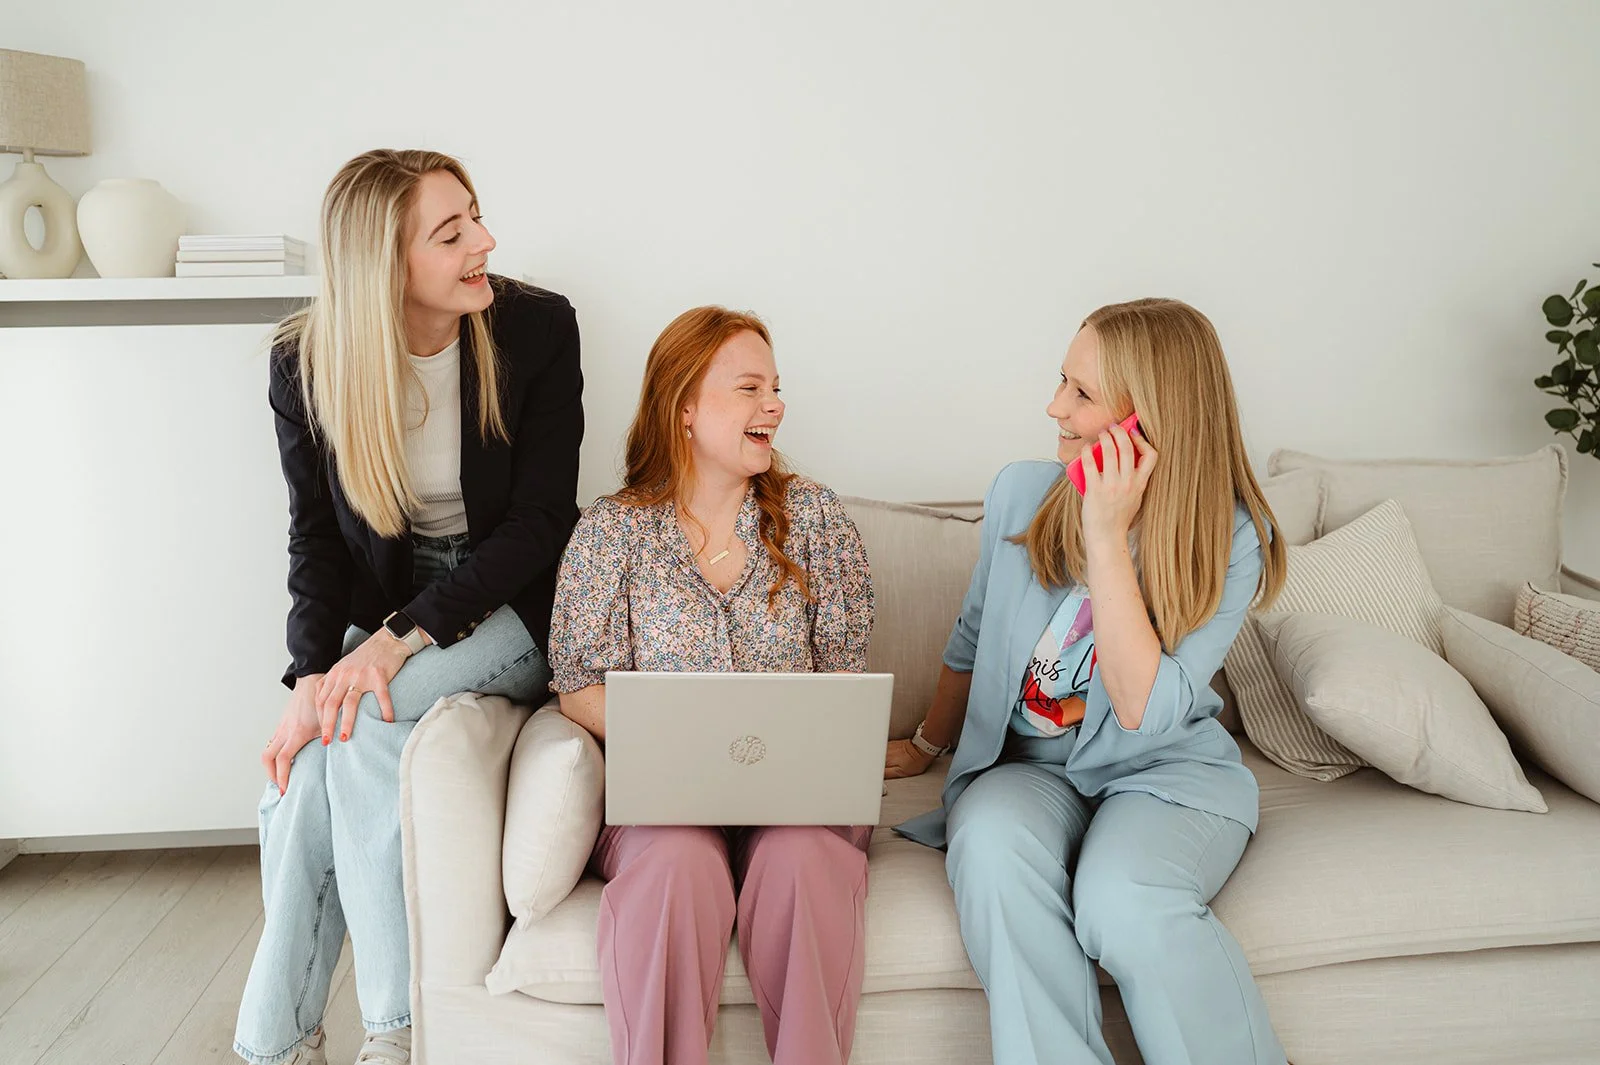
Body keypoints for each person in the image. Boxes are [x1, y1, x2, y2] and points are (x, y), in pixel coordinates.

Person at [235, 149, 583, 1065]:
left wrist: (397, 640)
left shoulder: (537, 329)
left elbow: (542, 523)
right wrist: (310, 675)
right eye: (453, 230)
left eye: (476, 217)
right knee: (301, 767)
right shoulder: (303, 361)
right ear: (385, 264)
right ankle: (273, 1044)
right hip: (388, 605)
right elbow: (313, 537)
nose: (486, 242)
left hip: (510, 601)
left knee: (370, 719)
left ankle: (393, 1032)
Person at [890, 298, 1289, 1065]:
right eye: (1060, 382)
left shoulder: (1233, 536)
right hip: (1029, 772)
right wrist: (924, 742)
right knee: (992, 846)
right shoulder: (1020, 491)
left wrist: (1107, 534)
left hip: (1163, 774)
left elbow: (1145, 709)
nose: (1054, 407)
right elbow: (971, 639)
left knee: (1124, 901)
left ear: (1151, 418)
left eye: (1081, 393)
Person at [548, 306, 875, 1065]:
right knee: (675, 866)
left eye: (777, 387)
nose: (776, 405)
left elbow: (843, 683)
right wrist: (682, 738)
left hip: (799, 801)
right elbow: (574, 687)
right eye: (750, 387)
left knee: (801, 860)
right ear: (686, 408)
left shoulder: (816, 520)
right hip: (664, 802)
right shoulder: (612, 532)